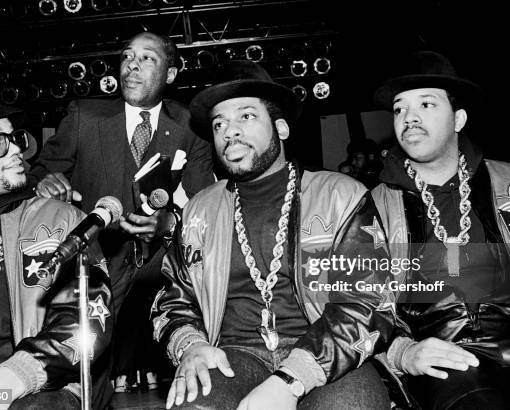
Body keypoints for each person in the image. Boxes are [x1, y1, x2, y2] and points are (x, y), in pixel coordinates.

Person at [151, 60, 400, 410]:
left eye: (246, 117)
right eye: (219, 123)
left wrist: (290, 379)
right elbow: (172, 299)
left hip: (327, 349)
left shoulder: (340, 195)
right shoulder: (199, 210)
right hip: (234, 354)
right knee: (192, 403)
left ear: (281, 128)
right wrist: (190, 345)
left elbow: (366, 301)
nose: (229, 131)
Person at [29, 31, 215, 393]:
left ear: (171, 74)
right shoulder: (85, 115)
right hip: (95, 260)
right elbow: (38, 174)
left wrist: (168, 223)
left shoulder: (191, 126)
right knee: (87, 362)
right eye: (128, 55)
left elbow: (204, 207)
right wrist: (44, 183)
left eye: (148, 58)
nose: (133, 64)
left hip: (158, 262)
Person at [372, 51, 510, 409]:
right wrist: (402, 352)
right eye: (399, 108)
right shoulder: (373, 205)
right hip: (441, 350)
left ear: (459, 119)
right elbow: (359, 304)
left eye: (426, 103)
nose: (410, 117)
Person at [0, 75, 113, 408]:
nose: (17, 149)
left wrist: (8, 380)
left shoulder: (60, 220)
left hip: (36, 382)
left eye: (14, 138)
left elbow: (87, 319)